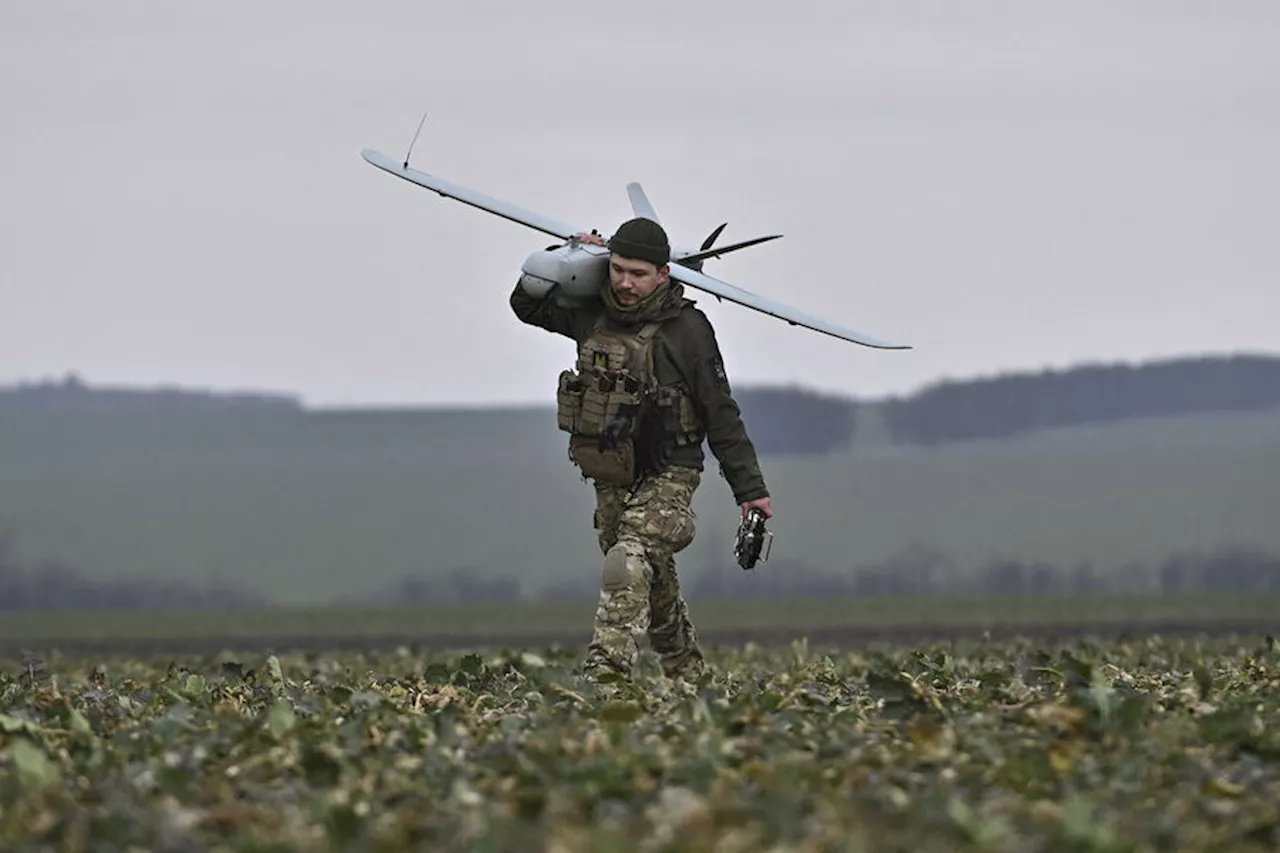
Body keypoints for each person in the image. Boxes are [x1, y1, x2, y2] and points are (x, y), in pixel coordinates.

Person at [509, 216, 773, 684]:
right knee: (650, 580)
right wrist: (570, 256)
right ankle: (688, 675)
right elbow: (526, 305)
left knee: (627, 561)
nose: (626, 284)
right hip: (614, 468)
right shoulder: (591, 311)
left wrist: (750, 491)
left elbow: (721, 412)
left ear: (663, 274)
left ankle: (605, 677)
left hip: (673, 468)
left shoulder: (689, 329)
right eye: (618, 270)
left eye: (639, 274)